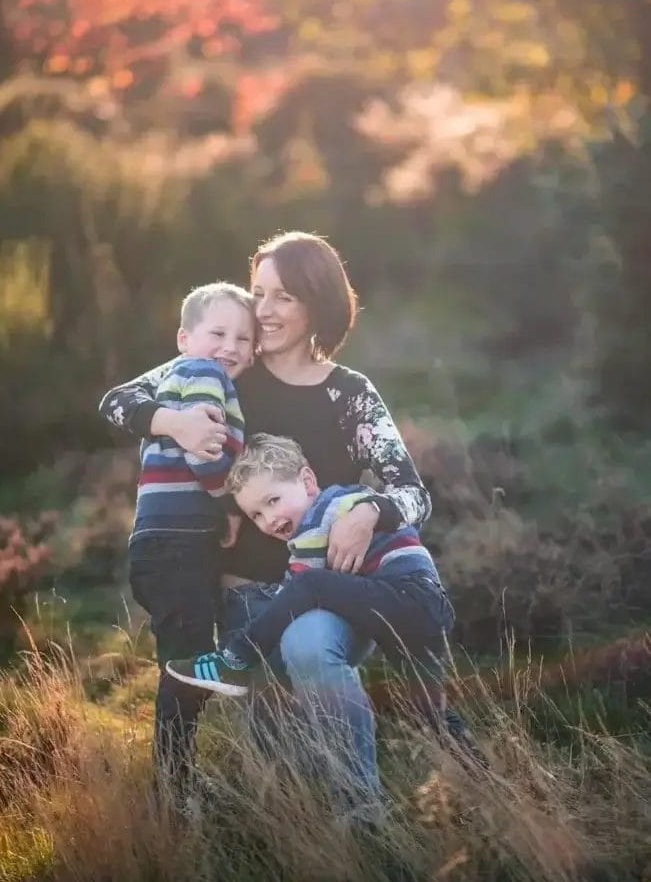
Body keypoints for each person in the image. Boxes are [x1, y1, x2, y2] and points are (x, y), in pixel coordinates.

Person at [99, 231, 432, 800]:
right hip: (243, 604)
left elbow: (412, 493)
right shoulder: (223, 364)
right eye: (259, 292)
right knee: (287, 779)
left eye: (284, 296)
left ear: (318, 304)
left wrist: (371, 513)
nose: (264, 310)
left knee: (310, 656)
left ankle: (364, 817)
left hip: (324, 594)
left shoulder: (349, 395)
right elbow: (119, 401)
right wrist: (173, 423)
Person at [166, 433, 454, 733]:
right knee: (433, 714)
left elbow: (299, 589)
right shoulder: (349, 498)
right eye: (257, 515)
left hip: (407, 596)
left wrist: (268, 620)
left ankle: (235, 659)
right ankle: (474, 765)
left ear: (307, 482)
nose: (269, 520)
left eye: (273, 501)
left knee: (308, 586)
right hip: (421, 607)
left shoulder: (318, 521)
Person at [126, 281, 254, 797]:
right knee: (188, 669)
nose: (231, 347)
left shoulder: (186, 375)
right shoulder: (203, 375)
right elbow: (205, 453)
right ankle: (174, 788)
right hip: (176, 546)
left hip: (170, 544)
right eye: (218, 332)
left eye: (244, 338)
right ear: (184, 338)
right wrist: (231, 502)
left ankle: (178, 778)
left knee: (185, 660)